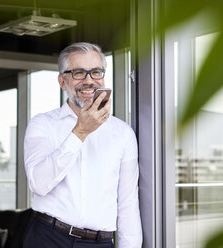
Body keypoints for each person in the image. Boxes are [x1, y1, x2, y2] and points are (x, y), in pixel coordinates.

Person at [23, 42, 142, 248]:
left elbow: (128, 205)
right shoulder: (42, 125)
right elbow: (39, 185)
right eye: (78, 72)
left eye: (96, 72)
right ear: (62, 81)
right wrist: (80, 132)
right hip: (48, 238)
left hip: (100, 243)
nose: (89, 81)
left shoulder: (122, 134)